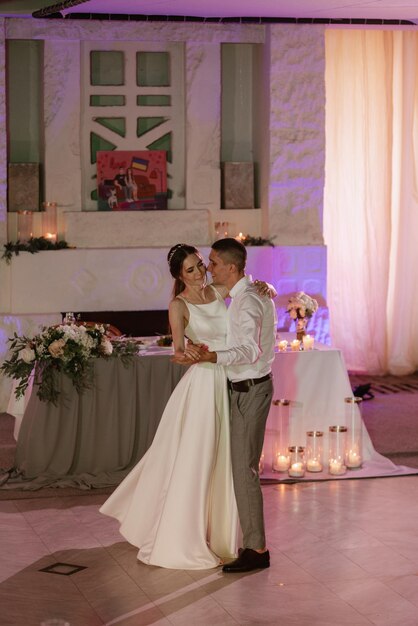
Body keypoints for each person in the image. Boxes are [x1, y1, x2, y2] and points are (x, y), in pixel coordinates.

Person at [181, 238, 277, 573]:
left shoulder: (248, 302)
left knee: (244, 471)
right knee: (239, 468)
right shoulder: (245, 294)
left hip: (251, 391)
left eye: (213, 262)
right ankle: (251, 542)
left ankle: (257, 549)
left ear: (231, 267)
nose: (209, 268)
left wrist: (212, 356)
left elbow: (250, 351)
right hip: (239, 390)